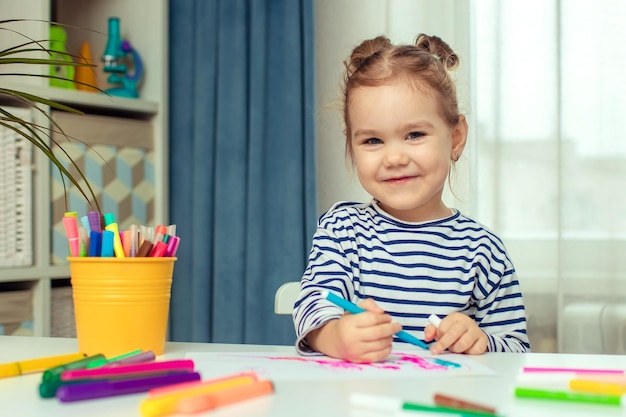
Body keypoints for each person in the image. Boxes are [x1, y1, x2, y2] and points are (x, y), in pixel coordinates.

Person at [292, 33, 530, 363]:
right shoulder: (342, 229)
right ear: (351, 145)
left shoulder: (483, 250)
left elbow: (517, 350)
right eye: (373, 141)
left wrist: (481, 340)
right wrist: (336, 335)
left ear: (456, 137)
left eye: (414, 135)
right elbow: (312, 304)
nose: (394, 158)